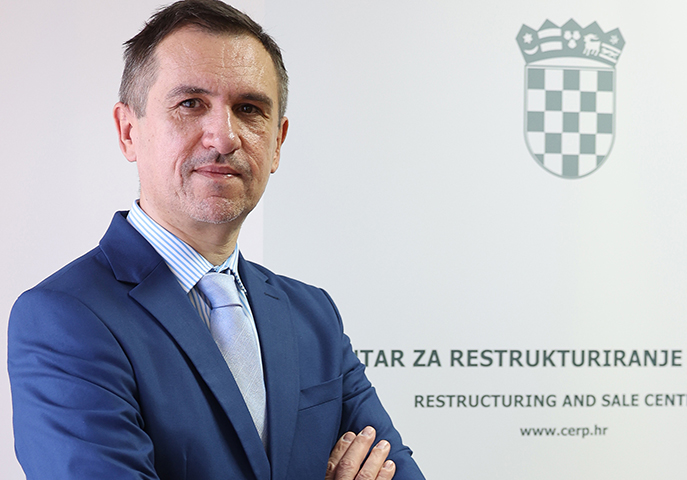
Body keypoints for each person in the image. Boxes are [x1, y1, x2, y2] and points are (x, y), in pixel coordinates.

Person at [7, 1, 425, 479]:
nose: (223, 138)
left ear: (277, 142)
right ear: (128, 131)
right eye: (190, 104)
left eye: (248, 109)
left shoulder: (312, 315)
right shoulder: (65, 318)